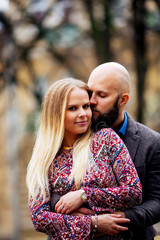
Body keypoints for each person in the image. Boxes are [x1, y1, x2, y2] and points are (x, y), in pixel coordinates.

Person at [26, 78, 142, 240]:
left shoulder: (106, 139)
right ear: (56, 113)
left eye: (86, 106)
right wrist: (93, 223)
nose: (83, 114)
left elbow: (133, 192)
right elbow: (39, 218)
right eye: (73, 108)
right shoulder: (45, 157)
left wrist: (85, 195)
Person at [87, 62, 160, 240]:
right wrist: (86, 221)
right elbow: (50, 194)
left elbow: (157, 201)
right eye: (90, 93)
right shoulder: (71, 134)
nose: (91, 101)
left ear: (123, 100)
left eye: (101, 95)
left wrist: (122, 218)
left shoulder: (152, 142)